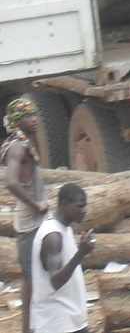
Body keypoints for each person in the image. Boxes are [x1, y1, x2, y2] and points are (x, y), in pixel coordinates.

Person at [1, 98, 49, 333]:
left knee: (32, 278)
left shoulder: (24, 142)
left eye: (35, 115)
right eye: (29, 117)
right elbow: (10, 182)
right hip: (29, 224)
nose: (35, 120)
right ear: (18, 121)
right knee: (34, 278)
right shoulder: (18, 147)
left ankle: (27, 328)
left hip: (34, 222)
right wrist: (36, 205)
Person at [30, 183, 95, 333]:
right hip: (57, 323)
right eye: (80, 206)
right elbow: (55, 281)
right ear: (64, 204)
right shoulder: (53, 236)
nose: (84, 211)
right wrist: (81, 253)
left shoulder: (64, 230)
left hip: (70, 321)